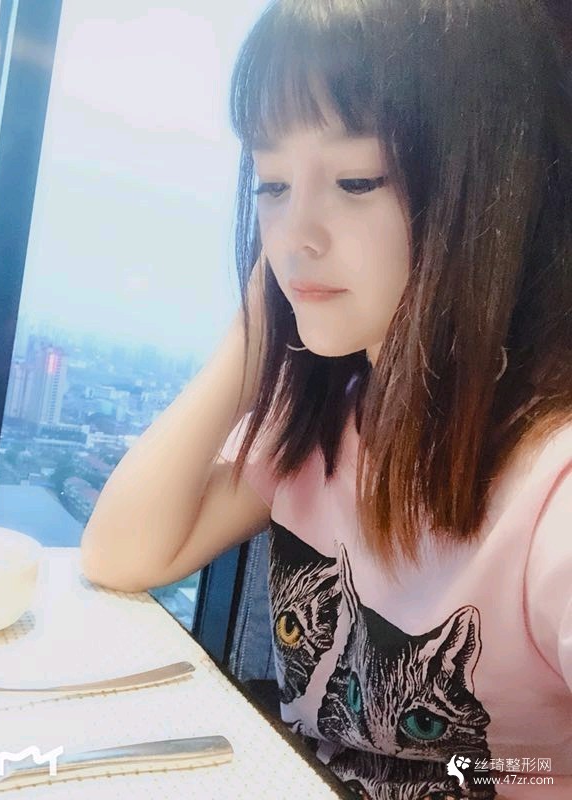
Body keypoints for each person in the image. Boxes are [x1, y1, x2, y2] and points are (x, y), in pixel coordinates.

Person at [80, 1, 572, 797]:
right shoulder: (322, 420)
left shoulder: (551, 485)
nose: (294, 233)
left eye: (355, 180)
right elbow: (122, 553)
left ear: (491, 194)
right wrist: (256, 333)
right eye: (272, 183)